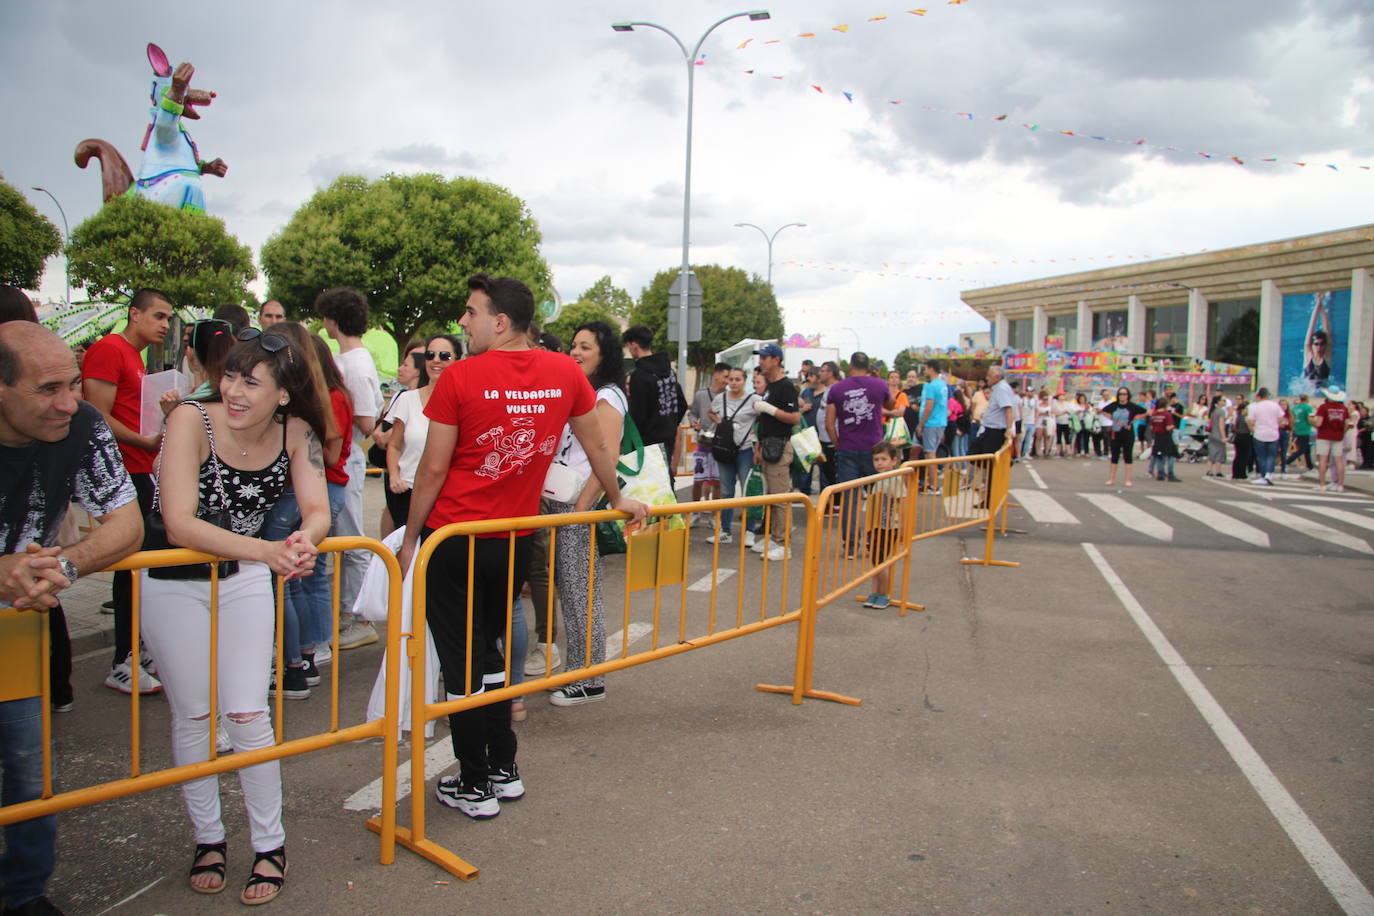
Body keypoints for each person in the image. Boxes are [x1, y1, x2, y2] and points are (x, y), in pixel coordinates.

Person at [396, 275, 646, 821]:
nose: (463, 322)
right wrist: (620, 496)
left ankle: (475, 782)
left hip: (454, 540)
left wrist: (411, 539)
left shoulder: (460, 377)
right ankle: (503, 767)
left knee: (465, 663)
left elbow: (433, 469)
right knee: (487, 654)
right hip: (512, 538)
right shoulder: (563, 372)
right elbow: (596, 442)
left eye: (470, 313)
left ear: (499, 321)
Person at [146, 327, 329, 904]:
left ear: (282, 395)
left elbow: (318, 507)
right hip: (175, 583)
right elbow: (179, 522)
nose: (234, 390)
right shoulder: (190, 422)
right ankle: (209, 839)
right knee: (195, 716)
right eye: (230, 376)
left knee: (250, 715)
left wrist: (304, 540)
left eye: (252, 381)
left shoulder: (296, 431)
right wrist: (270, 553)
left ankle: (270, 845)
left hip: (246, 578)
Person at [0, 322, 143, 916]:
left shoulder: (80, 424)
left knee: (29, 776)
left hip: (19, 631)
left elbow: (127, 525)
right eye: (47, 389)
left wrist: (60, 564)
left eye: (75, 384)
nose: (68, 402)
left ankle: (25, 893)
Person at [82, 287, 171, 695]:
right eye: (159, 316)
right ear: (135, 314)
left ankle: (139, 650)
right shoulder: (108, 349)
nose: (165, 325)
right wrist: (143, 440)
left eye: (169, 319)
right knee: (129, 567)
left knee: (146, 567)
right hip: (122, 472)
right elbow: (95, 415)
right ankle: (123, 660)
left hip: (141, 468)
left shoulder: (134, 358)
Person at [261, 325, 351, 700]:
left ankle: (299, 661)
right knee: (302, 575)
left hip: (313, 491)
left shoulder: (317, 398)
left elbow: (331, 453)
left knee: (292, 577)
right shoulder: (321, 395)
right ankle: (307, 655)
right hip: (315, 492)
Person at [544, 321, 626, 706]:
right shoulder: (586, 390)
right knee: (574, 591)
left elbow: (605, 457)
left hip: (580, 504)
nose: (575, 352)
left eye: (586, 347)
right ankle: (577, 670)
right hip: (565, 503)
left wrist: (580, 510)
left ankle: (589, 678)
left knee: (581, 593)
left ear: (604, 354)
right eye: (574, 345)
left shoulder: (607, 397)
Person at [316, 287, 382, 650]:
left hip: (346, 456)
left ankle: (359, 616)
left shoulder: (354, 364)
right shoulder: (353, 359)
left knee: (350, 537)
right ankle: (349, 612)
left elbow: (367, 419)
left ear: (332, 319)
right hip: (344, 455)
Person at [385, 335, 461, 533]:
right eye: (430, 355)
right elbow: (393, 445)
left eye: (444, 356)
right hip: (406, 491)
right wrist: (394, 476)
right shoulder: (407, 399)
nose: (436, 360)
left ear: (457, 361)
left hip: (445, 496)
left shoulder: (464, 403)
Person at [825, 352, 893, 554]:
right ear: (868, 366)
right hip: (875, 449)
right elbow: (891, 405)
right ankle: (876, 539)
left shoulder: (837, 389)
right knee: (879, 496)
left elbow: (829, 424)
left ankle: (851, 545)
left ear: (850, 366)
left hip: (848, 448)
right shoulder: (879, 384)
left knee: (850, 500)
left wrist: (839, 443)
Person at [374, 341, 426, 538]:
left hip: (417, 483)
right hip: (399, 479)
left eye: (406, 364)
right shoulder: (403, 398)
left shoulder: (434, 398)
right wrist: (395, 475)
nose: (400, 368)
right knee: (397, 535)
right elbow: (382, 436)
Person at [705, 368, 761, 546]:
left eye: (738, 379)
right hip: (724, 449)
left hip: (745, 450)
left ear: (745, 380)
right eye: (731, 379)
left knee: (747, 491)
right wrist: (721, 423)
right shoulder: (720, 398)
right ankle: (725, 531)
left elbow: (764, 417)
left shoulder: (754, 400)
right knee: (727, 491)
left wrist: (756, 434)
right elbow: (710, 411)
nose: (734, 382)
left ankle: (750, 531)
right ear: (727, 381)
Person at [622, 325, 687, 470]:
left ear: (634, 344)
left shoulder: (639, 376)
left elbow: (638, 415)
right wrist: (669, 424)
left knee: (652, 488)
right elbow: (682, 404)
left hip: (647, 444)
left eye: (628, 346)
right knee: (665, 483)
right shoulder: (670, 371)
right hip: (668, 439)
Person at [857, 440, 907, 611]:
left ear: (894, 461)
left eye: (884, 459)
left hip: (888, 527)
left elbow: (902, 504)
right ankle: (874, 593)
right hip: (875, 526)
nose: (879, 463)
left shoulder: (895, 480)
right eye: (876, 459)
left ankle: (883, 594)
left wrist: (903, 528)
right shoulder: (878, 479)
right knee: (875, 562)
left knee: (881, 564)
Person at [688, 362, 729, 513]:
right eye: (725, 376)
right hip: (703, 443)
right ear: (716, 375)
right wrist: (693, 422)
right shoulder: (701, 395)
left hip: (720, 445)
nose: (727, 380)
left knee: (718, 482)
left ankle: (714, 515)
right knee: (698, 481)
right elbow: (692, 413)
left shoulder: (728, 396)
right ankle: (695, 512)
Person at [914, 361, 948, 490]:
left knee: (930, 453)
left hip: (931, 422)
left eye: (925, 369)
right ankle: (932, 483)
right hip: (939, 422)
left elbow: (929, 407)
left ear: (931, 369)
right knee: (931, 452)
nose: (924, 371)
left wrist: (921, 424)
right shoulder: (942, 384)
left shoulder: (931, 386)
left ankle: (933, 485)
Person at [1101, 387, 1146, 487]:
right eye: (1121, 394)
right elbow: (1103, 411)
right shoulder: (1114, 405)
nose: (1123, 396)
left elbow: (1145, 412)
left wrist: (1134, 420)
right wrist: (1113, 420)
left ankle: (1128, 479)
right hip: (1115, 433)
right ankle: (1112, 479)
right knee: (1114, 456)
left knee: (1128, 456)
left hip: (1128, 434)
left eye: (1125, 394)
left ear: (1128, 395)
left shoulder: (1132, 406)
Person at [1312, 388, 1353, 492]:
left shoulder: (1323, 407)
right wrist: (1341, 433)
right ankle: (1340, 485)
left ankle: (1322, 484)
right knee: (1339, 460)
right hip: (1338, 436)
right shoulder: (1344, 408)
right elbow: (1347, 424)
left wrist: (1312, 422)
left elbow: (1319, 423)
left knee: (1323, 460)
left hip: (1324, 435)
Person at [1246, 388, 1284, 486]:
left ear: (1259, 395)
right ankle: (1269, 474)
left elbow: (1250, 421)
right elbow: (1281, 419)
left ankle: (1263, 476)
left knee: (1261, 456)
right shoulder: (1275, 405)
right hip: (1273, 433)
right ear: (1268, 395)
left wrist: (1254, 427)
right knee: (1271, 455)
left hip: (1259, 433)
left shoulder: (1254, 407)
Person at [816, 362, 841, 490]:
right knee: (828, 474)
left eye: (822, 371)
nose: (820, 373)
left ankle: (836, 505)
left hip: (832, 440)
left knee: (834, 476)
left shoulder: (836, 389)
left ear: (830, 373)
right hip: (824, 439)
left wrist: (835, 441)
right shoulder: (828, 390)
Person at [1146, 398, 1180, 482]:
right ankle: (1170, 474)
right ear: (1165, 405)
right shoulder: (1167, 414)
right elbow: (1168, 427)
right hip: (1166, 436)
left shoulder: (1154, 414)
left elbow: (1151, 427)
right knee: (1171, 454)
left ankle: (1160, 474)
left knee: (1159, 455)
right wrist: (1173, 426)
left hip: (1157, 436)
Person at [1290, 393, 1315, 473]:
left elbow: (1293, 420)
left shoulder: (1296, 408)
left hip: (1298, 429)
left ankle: (1310, 465)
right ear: (1307, 400)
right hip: (1306, 430)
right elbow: (1310, 419)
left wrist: (1293, 428)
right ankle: (1288, 460)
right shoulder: (1308, 408)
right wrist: (1315, 424)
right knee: (1304, 448)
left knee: (1306, 449)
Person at [1205, 396, 1228, 477]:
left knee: (1212, 452)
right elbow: (1221, 425)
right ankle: (1218, 471)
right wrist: (1224, 436)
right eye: (1223, 400)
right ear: (1219, 402)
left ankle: (1209, 470)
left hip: (1212, 433)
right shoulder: (1221, 411)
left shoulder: (1213, 411)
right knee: (1220, 452)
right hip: (1218, 434)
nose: (1224, 402)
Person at [1230, 398, 1252, 481]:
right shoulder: (1245, 418)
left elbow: (1235, 427)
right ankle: (1242, 473)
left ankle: (1235, 473)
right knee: (1244, 456)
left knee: (1238, 455)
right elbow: (1250, 428)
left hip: (1238, 436)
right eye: (1247, 409)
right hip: (1245, 437)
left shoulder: (1238, 417)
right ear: (1244, 409)